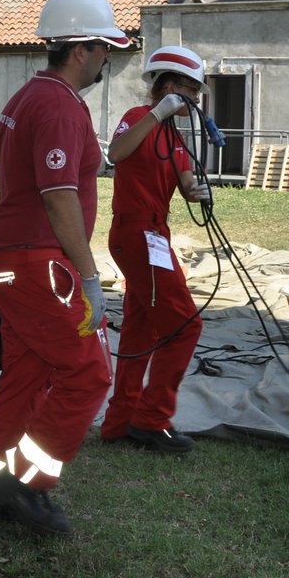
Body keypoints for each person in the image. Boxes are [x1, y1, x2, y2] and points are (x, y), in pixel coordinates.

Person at [0, 0, 131, 537]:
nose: (109, 57)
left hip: (12, 256)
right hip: (38, 260)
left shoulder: (28, 97)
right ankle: (25, 486)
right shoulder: (60, 106)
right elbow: (58, 194)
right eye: (106, 47)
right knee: (89, 373)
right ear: (82, 48)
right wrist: (89, 278)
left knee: (28, 372)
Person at [101, 45, 213, 455]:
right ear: (168, 85)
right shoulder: (138, 119)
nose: (197, 99)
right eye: (191, 90)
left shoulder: (176, 137)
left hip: (156, 237)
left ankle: (118, 422)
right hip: (135, 234)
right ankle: (151, 420)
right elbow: (116, 154)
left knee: (141, 329)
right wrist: (157, 113)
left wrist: (195, 190)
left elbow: (185, 182)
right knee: (185, 325)